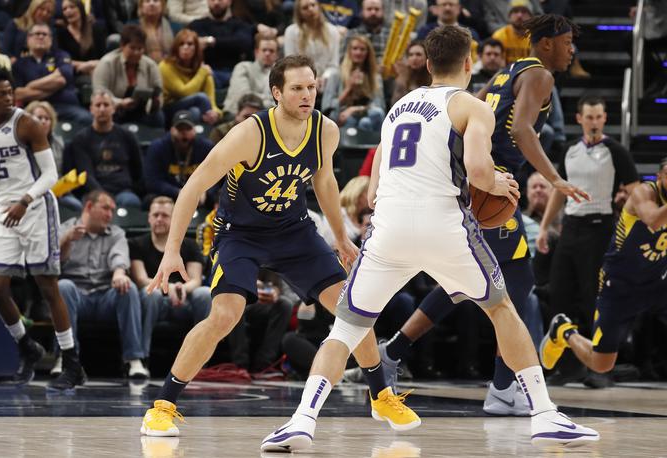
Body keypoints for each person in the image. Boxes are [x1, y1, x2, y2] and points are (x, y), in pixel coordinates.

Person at [262, 25, 598, 453]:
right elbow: (478, 173)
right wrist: (499, 184)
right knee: (501, 308)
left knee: (344, 329)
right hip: (443, 224)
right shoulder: (472, 106)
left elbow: (371, 191)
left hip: (389, 228)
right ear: (468, 62)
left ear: (428, 62)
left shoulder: (397, 107)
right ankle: (545, 414)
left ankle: (301, 420)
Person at [139, 55, 416, 436]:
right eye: (297, 89)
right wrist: (172, 250)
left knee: (352, 305)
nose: (307, 95)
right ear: (276, 93)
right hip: (240, 233)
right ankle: (163, 405)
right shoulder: (249, 134)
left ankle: (381, 396)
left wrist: (338, 237)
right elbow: (192, 188)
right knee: (225, 315)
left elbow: (324, 183)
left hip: (293, 230)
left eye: (312, 87)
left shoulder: (325, 131)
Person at [374, 14, 592, 417]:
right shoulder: (541, 76)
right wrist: (555, 179)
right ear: (546, 45)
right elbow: (524, 131)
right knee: (512, 282)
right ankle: (502, 387)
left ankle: (396, 352)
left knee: (470, 282)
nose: (571, 49)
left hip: (477, 185)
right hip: (489, 186)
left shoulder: (505, 74)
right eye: (566, 42)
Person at [0, 66, 85, 390]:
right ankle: (27, 346)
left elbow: (51, 175)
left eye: (10, 91)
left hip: (36, 208)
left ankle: (71, 361)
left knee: (47, 286)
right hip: (3, 211)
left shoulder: (27, 123)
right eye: (1, 93)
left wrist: (25, 200)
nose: (9, 97)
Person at [536, 95, 639, 386]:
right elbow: (559, 190)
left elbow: (635, 190)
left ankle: (598, 368)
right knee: (561, 295)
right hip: (571, 228)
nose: (594, 122)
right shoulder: (569, 149)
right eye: (588, 117)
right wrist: (545, 227)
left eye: (598, 117)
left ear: (605, 118)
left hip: (601, 229)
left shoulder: (615, 150)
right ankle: (567, 366)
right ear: (579, 119)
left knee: (595, 298)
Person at [539, 159, 667, 382]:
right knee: (602, 363)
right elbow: (653, 220)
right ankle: (563, 330)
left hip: (658, 282)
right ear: (659, 177)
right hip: (619, 284)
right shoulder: (643, 193)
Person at [57, 189, 149, 379]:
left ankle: (134, 360)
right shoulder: (65, 228)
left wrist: (119, 272)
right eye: (105, 208)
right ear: (89, 207)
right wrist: (66, 240)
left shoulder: (116, 233)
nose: (110, 214)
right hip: (76, 295)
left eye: (112, 210)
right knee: (63, 287)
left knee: (128, 287)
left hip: (106, 295)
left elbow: (119, 255)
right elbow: (53, 265)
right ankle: (66, 357)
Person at [129, 196, 212, 361]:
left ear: (174, 218)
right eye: (156, 215)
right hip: (153, 301)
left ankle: (199, 359)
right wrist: (168, 287)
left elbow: (195, 280)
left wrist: (181, 289)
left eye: (165, 216)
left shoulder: (189, 245)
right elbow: (141, 279)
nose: (159, 219)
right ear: (149, 217)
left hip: (184, 300)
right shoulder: (136, 243)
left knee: (204, 293)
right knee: (151, 294)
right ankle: (141, 359)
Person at [64, 89, 145, 208]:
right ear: (91, 109)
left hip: (123, 193)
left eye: (106, 105)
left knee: (131, 202)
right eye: (98, 105)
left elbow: (138, 170)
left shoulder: (127, 136)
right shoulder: (81, 139)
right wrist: (102, 196)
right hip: (94, 193)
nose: (102, 109)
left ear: (113, 108)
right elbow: (86, 175)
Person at [13, 23, 93, 126]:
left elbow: (61, 80)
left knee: (86, 119)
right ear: (28, 38)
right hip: (33, 109)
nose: (41, 37)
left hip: (65, 106)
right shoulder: (19, 64)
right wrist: (52, 87)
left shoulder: (61, 56)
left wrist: (31, 85)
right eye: (37, 34)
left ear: (51, 39)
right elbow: (18, 94)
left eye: (45, 34)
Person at [92, 24, 164, 128]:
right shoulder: (106, 63)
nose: (136, 53)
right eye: (132, 48)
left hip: (142, 111)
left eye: (140, 49)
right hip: (115, 111)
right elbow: (99, 92)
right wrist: (120, 102)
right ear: (122, 46)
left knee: (158, 116)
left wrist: (153, 103)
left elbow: (159, 93)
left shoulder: (151, 66)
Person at [143, 110, 215, 200]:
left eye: (188, 129)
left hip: (198, 195)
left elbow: (216, 176)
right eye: (180, 129)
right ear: (172, 130)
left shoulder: (206, 147)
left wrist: (206, 192)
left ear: (194, 130)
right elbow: (152, 181)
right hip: (169, 195)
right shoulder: (158, 147)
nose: (184, 133)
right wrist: (177, 192)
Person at [322, 34, 385, 131]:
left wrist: (353, 110)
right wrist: (348, 88)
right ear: (349, 52)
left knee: (369, 120)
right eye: (355, 49)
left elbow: (380, 106)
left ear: (368, 53)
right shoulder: (336, 75)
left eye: (362, 49)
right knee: (354, 121)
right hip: (341, 118)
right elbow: (326, 109)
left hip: (368, 116)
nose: (358, 52)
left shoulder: (375, 76)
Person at [159, 29, 222, 126]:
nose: (185, 47)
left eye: (190, 44)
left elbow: (211, 100)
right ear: (176, 47)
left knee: (195, 111)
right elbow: (183, 92)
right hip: (169, 109)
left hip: (190, 111)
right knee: (201, 98)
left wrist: (216, 113)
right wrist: (201, 73)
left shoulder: (202, 69)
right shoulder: (165, 66)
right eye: (181, 44)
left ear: (196, 48)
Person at [187, 0, 255, 89]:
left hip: (234, 73)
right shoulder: (196, 25)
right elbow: (193, 44)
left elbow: (243, 43)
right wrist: (228, 44)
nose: (216, 3)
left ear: (229, 2)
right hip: (207, 71)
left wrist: (210, 41)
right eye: (212, 0)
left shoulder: (240, 24)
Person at [283, 0, 340, 86]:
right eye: (305, 8)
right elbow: (290, 64)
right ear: (299, 13)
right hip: (300, 81)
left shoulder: (333, 31)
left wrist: (324, 78)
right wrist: (310, 80)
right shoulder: (291, 32)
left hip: (327, 83)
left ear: (319, 6)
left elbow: (334, 64)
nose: (311, 9)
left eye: (313, 5)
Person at [221, 33, 278, 117]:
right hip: (237, 116)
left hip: (268, 117)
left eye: (271, 51)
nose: (267, 53)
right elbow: (244, 97)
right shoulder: (243, 67)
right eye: (264, 50)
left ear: (277, 55)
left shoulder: (280, 73)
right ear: (256, 52)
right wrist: (269, 102)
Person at [55, 0, 107, 76]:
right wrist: (86, 65)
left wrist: (91, 65)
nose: (68, 11)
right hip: (74, 74)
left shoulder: (96, 30)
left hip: (97, 71)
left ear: (80, 9)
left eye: (72, 7)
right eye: (64, 9)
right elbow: (62, 60)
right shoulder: (61, 34)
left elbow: (104, 58)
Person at [389, 40, 431, 105]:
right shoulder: (403, 74)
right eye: (411, 55)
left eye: (418, 54)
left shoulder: (432, 77)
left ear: (426, 58)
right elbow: (395, 104)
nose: (414, 58)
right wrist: (402, 80)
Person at [491, 0, 532, 64]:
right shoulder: (499, 36)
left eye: (524, 11)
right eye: (515, 11)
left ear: (530, 16)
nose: (519, 15)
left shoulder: (536, 37)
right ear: (509, 16)